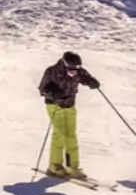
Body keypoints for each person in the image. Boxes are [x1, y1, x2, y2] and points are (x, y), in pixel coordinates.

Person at [38, 51, 100, 179]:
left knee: (71, 135)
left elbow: (85, 78)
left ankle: (72, 167)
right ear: (64, 65)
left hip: (70, 105)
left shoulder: (78, 71)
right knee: (59, 134)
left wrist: (92, 82)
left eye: (76, 70)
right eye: (71, 70)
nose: (74, 72)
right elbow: (42, 89)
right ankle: (55, 166)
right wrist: (54, 93)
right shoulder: (52, 71)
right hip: (55, 105)